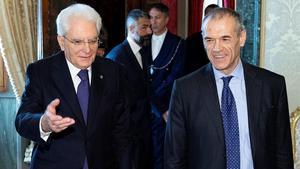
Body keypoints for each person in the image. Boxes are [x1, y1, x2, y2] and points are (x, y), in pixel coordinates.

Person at [165, 8, 293, 169]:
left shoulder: (272, 85)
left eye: (225, 39)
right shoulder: (184, 90)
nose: (216, 48)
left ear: (242, 38)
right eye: (209, 40)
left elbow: (282, 152)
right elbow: (174, 158)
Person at [15, 4, 130, 169]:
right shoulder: (41, 72)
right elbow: (22, 120)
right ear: (61, 41)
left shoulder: (113, 72)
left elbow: (122, 132)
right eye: (77, 41)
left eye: (93, 40)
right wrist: (44, 124)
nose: (87, 49)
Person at [106, 9, 153, 169]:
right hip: (126, 135)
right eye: (144, 27)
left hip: (143, 132)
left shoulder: (144, 52)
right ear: (132, 29)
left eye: (149, 27)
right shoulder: (116, 57)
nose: (149, 31)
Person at [148, 3, 185, 169]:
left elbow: (175, 76)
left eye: (157, 17)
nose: (153, 22)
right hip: (144, 105)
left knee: (160, 150)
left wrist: (160, 106)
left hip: (165, 106)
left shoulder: (178, 44)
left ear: (167, 19)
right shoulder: (143, 41)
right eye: (150, 17)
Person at [184, 4, 219, 74]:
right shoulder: (191, 40)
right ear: (204, 18)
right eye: (209, 17)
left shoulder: (226, 40)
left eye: (215, 17)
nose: (212, 20)